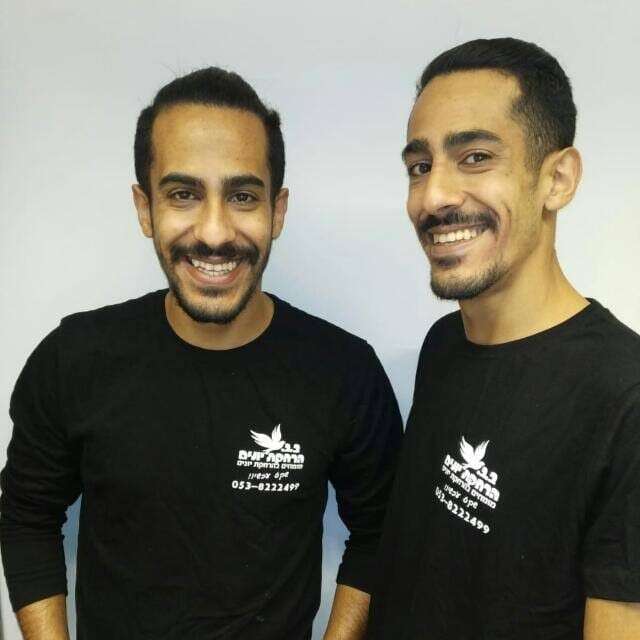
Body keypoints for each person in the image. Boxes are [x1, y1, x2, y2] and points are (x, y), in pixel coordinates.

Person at [0, 67, 402, 640]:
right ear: (145, 208)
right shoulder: (74, 359)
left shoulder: (344, 372)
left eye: (242, 196)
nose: (214, 233)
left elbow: (381, 532)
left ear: (277, 210)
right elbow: (27, 516)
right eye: (184, 195)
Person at [368, 38, 640, 639]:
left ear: (557, 179)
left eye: (475, 157)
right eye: (420, 166)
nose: (433, 196)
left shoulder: (625, 401)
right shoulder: (445, 344)